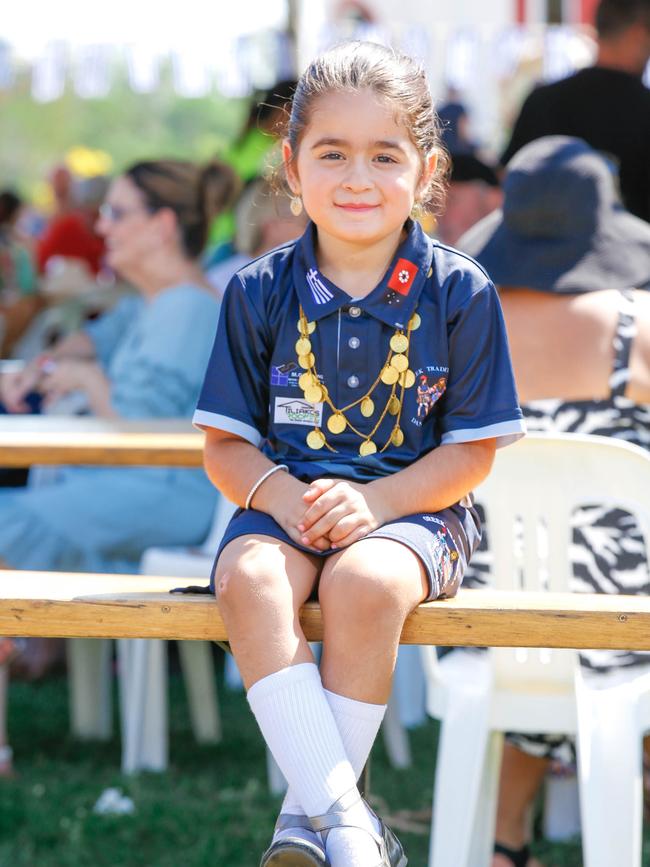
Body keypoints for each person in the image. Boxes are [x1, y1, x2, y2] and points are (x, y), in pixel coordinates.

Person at [194, 41, 525, 867]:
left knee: (367, 578)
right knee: (248, 577)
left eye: (385, 155)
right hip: (284, 506)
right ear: (291, 166)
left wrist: (376, 506)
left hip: (416, 514)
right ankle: (348, 823)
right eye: (331, 153)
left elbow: (472, 455)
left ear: (426, 169)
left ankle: (307, 821)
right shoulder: (255, 288)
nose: (356, 178)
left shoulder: (461, 290)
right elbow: (225, 446)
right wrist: (283, 499)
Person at [0, 157, 234, 774]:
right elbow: (94, 338)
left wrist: (81, 378)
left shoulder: (187, 307)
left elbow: (139, 418)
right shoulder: (153, 302)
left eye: (116, 213)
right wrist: (52, 363)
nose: (102, 226)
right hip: (129, 481)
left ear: (161, 226)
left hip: (171, 489)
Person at [459, 135, 650, 867]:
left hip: (479, 627)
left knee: (538, 590)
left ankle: (504, 841)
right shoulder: (636, 327)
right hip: (617, 623)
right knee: (600, 579)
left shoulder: (460, 325)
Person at [500, 0, 650, 222]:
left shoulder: (543, 100)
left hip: (543, 250)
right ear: (638, 34)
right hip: (635, 251)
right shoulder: (644, 110)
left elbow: (508, 181)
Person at [0, 190, 40, 356]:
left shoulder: (14, 242)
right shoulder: (16, 246)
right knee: (31, 304)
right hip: (10, 307)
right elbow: (27, 286)